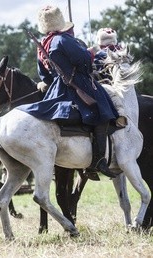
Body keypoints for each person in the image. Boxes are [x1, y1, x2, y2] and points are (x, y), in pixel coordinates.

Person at [18, 6, 119, 178]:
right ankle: (99, 161)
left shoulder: (43, 44)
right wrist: (94, 50)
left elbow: (45, 76)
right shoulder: (63, 39)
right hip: (77, 85)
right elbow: (85, 60)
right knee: (103, 111)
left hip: (56, 89)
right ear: (59, 21)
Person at [89, 28, 127, 128]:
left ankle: (121, 116)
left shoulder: (100, 54)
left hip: (110, 85)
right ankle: (120, 116)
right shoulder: (122, 51)